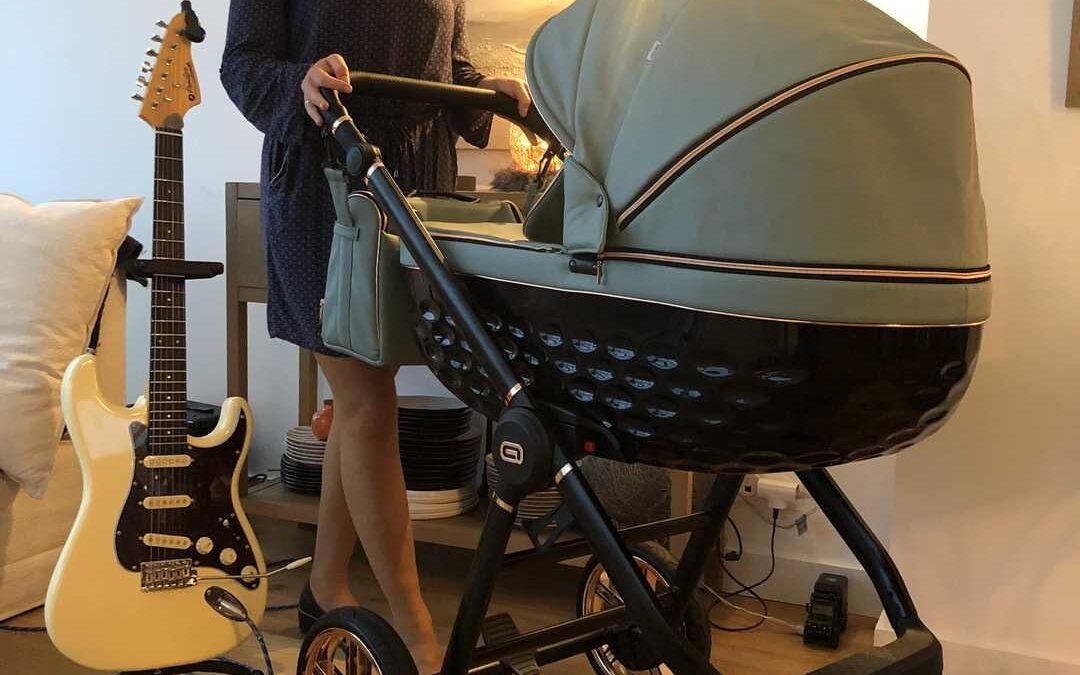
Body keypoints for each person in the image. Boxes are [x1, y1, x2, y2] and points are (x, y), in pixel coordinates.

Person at [220, 2, 532, 671]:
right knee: (366, 399)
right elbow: (241, 64)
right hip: (323, 184)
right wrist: (300, 81)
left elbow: (447, 66)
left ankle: (325, 585)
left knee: (363, 400)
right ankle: (415, 629)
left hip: (411, 187)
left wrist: (486, 91)